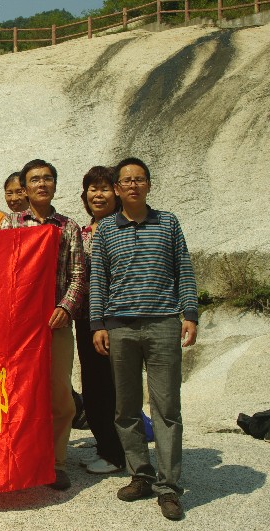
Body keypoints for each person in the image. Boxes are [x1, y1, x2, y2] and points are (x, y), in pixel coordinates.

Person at [90, 158, 198, 521]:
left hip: (163, 323)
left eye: (140, 179)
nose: (133, 185)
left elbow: (184, 268)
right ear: (117, 189)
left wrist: (190, 313)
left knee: (167, 408)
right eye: (126, 181)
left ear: (148, 185)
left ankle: (169, 487)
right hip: (120, 327)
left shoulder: (168, 222)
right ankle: (141, 474)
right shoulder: (107, 229)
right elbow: (98, 279)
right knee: (126, 407)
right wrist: (98, 324)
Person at [0, 159, 85, 491]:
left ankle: (56, 461)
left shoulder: (68, 227)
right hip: (19, 327)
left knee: (59, 394)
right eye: (35, 180)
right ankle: (18, 458)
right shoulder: (10, 225)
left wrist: (66, 307)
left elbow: (78, 275)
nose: (42, 184)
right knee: (17, 392)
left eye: (48, 179)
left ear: (55, 185)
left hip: (55, 324)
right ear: (24, 187)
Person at [75, 166, 125, 475]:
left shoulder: (122, 228)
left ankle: (117, 453)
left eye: (104, 188)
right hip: (86, 320)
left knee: (114, 386)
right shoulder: (83, 232)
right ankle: (106, 445)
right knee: (93, 385)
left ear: (116, 193)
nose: (98, 194)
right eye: (92, 189)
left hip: (115, 319)